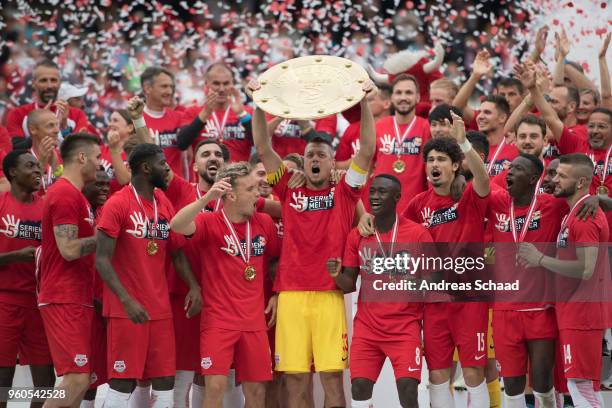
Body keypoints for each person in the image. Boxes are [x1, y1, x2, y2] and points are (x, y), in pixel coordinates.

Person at [249, 76, 377, 407]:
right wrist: (261, 104)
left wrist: (363, 103)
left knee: (332, 377)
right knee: (295, 378)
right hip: (291, 295)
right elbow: (263, 147)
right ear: (303, 162)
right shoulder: (288, 188)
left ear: (333, 162)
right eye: (310, 155)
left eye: (321, 154)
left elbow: (367, 149)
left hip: (328, 295)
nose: (315, 159)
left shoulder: (346, 191)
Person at [96, 143, 202, 408]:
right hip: (126, 309)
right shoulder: (117, 203)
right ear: (145, 168)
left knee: (165, 380)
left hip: (160, 308)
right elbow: (101, 259)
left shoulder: (162, 201)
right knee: (123, 380)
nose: (167, 169)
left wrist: (193, 285)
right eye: (162, 164)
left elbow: (176, 252)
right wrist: (126, 300)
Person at [170, 162, 280, 408]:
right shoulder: (209, 222)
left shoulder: (264, 223)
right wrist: (208, 197)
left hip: (254, 323)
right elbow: (176, 225)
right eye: (250, 188)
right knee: (215, 390)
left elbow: (275, 261)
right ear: (231, 194)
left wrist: (276, 293)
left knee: (256, 393)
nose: (258, 193)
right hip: (219, 321)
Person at [403, 112, 491, 407]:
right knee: (438, 374)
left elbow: (483, 178)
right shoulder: (418, 204)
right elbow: (398, 235)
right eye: (430, 160)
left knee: (473, 372)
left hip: (469, 299)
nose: (435, 165)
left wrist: (464, 141)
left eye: (441, 159)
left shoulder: (468, 196)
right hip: (435, 301)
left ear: (455, 165)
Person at [328, 174, 434, 408]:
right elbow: (348, 284)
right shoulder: (358, 234)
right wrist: (336, 274)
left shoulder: (417, 234)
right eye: (372, 191)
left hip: (405, 327)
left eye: (382, 192)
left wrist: (409, 281)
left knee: (407, 389)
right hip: (368, 328)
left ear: (397, 197)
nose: (375, 197)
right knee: (359, 387)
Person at [518, 153, 610, 407]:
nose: (555, 179)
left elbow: (586, 269)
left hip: (583, 314)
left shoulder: (585, 217)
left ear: (580, 182)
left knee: (580, 387)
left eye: (561, 176)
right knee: (584, 385)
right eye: (554, 174)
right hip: (574, 311)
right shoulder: (575, 211)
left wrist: (540, 259)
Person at [487, 154, 567, 408]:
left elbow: (583, 201)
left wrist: (596, 199)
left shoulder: (553, 205)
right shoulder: (499, 202)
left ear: (534, 178)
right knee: (511, 385)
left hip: (540, 309)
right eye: (509, 168)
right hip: (504, 311)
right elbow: (479, 178)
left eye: (517, 169)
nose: (509, 172)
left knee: (543, 383)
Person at [38, 133, 101, 407]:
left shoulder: (76, 196)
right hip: (64, 295)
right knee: (76, 379)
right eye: (98, 157)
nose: (101, 164)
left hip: (76, 295)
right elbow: (69, 249)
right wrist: (107, 237)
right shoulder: (64, 193)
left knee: (81, 379)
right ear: (82, 157)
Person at [0, 150, 54, 408]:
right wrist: (14, 257)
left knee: (46, 384)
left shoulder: (46, 208)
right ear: (12, 172)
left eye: (39, 166)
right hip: (4, 300)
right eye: (30, 166)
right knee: (3, 382)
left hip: (39, 303)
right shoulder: (1, 203)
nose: (38, 170)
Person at [372, 74, 431, 212]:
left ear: (417, 97)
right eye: (398, 93)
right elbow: (367, 167)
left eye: (408, 92)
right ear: (392, 98)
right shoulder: (379, 126)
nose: (403, 97)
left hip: (414, 210)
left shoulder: (426, 127)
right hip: (382, 209)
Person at [180, 63, 253, 163]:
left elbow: (261, 144)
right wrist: (205, 114)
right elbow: (182, 144)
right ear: (206, 84)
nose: (221, 89)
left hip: (239, 177)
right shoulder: (193, 112)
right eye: (216, 83)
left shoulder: (246, 112)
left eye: (226, 83)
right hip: (206, 177)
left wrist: (242, 115)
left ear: (233, 84)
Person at [81, 168, 111, 408]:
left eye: (106, 184)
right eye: (98, 183)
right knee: (81, 375)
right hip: (80, 302)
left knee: (104, 372)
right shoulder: (73, 210)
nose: (104, 188)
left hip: (106, 301)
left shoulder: (106, 211)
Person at [5, 60, 91, 140]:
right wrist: (40, 125)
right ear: (33, 84)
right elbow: (16, 151)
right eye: (43, 80)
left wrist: (65, 127)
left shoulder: (77, 115)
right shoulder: (17, 114)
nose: (49, 85)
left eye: (53, 80)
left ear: (59, 83)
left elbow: (81, 153)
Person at [25, 109, 62, 192]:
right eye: (50, 125)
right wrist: (41, 163)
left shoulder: (64, 157)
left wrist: (56, 167)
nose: (57, 130)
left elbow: (67, 192)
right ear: (33, 129)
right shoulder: (21, 161)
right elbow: (26, 196)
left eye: (57, 125)